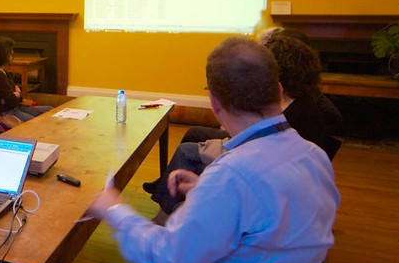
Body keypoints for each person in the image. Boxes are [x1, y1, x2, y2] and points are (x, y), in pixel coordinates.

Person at [56, 37, 339, 263]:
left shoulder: (232, 176)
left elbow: (168, 262)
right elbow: (265, 209)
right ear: (278, 91)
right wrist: (205, 188)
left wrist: (114, 208)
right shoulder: (314, 156)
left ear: (214, 103)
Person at [144, 33, 343, 218]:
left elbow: (256, 154)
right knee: (193, 136)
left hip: (256, 181)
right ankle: (168, 190)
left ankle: (166, 209)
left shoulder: (301, 114)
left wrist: (116, 208)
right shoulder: (308, 141)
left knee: (187, 151)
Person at [0, 36, 52, 121]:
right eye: (10, 50)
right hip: (5, 112)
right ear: (2, 53)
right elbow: (12, 101)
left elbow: (15, 95)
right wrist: (17, 94)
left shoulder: (3, 72)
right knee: (34, 121)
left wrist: (17, 94)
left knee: (50, 110)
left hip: (15, 107)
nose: (12, 52)